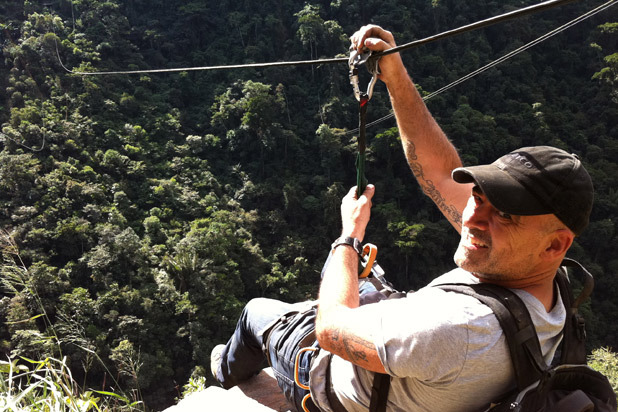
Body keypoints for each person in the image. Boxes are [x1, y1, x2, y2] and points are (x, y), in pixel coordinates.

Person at [210, 25, 594, 412]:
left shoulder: (458, 330)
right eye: (480, 196)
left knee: (258, 312)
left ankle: (223, 375)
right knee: (361, 287)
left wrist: (348, 236)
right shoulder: (549, 281)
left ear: (555, 243)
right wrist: (394, 75)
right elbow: (440, 175)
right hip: (424, 358)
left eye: (505, 214)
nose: (474, 218)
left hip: (327, 383)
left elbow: (330, 330)